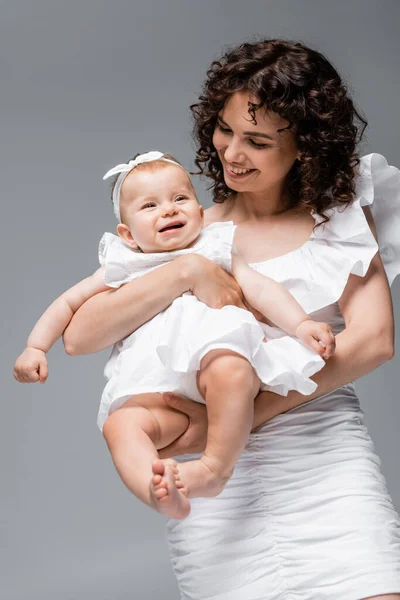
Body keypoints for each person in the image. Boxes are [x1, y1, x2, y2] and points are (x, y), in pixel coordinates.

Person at [62, 40, 400, 598]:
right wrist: (183, 272)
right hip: (211, 488)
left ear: (306, 149)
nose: (231, 153)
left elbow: (373, 341)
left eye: (258, 141)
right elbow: (79, 337)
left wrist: (232, 423)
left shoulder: (338, 218)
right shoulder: (187, 231)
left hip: (319, 455)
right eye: (225, 130)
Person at [13, 150, 334, 519]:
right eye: (150, 205)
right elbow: (69, 304)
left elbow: (260, 289)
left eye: (180, 198)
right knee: (122, 425)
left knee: (232, 369)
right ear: (128, 235)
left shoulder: (215, 247)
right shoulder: (124, 264)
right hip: (158, 391)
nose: (168, 210)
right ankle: (155, 489)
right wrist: (35, 347)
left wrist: (301, 324)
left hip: (213, 365)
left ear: (200, 213)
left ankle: (214, 469)